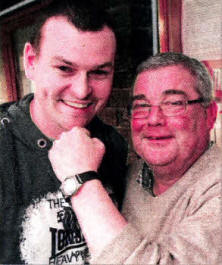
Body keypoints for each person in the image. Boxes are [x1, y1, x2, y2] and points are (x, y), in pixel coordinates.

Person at [49, 52, 222, 264]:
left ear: (210, 114)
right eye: (141, 106)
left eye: (174, 103)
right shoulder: (131, 174)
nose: (153, 119)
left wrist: (80, 180)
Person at [0, 0, 127, 264]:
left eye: (99, 72)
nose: (82, 90)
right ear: (31, 62)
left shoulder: (112, 143)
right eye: (65, 69)